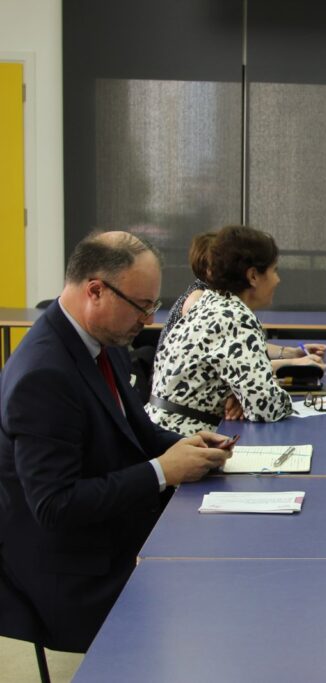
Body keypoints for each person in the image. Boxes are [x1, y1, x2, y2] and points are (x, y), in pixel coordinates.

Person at [0, 231, 233, 652]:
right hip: (75, 570)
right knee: (215, 602)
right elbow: (56, 506)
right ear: (95, 291)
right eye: (142, 306)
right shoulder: (44, 376)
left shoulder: (103, 341)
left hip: (114, 528)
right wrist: (164, 470)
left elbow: (137, 430)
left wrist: (190, 445)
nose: (148, 319)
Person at [146, 225, 311, 435]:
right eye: (274, 270)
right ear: (253, 276)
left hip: (159, 429)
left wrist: (238, 395)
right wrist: (277, 398)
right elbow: (265, 407)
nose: (278, 280)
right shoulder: (235, 318)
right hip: (183, 439)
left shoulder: (210, 302)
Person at [158, 231, 324, 371]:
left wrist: (290, 353)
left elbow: (243, 349)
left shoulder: (220, 300)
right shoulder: (202, 302)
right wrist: (292, 364)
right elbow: (239, 369)